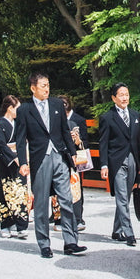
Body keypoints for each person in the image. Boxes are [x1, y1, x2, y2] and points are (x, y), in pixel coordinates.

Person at [16, 73, 84, 258]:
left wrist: (73, 154)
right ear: (33, 88)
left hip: (59, 155)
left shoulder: (56, 104)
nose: (47, 89)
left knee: (66, 199)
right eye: (43, 85)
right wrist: (23, 162)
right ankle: (44, 243)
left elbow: (64, 130)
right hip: (40, 157)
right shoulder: (24, 110)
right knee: (41, 203)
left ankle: (71, 242)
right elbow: (20, 139)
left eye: (48, 85)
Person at [97, 82, 140, 246]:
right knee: (121, 197)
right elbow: (103, 143)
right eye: (121, 95)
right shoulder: (107, 118)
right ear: (114, 98)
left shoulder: (135, 115)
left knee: (126, 196)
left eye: (126, 94)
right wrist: (103, 165)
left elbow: (139, 140)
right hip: (116, 161)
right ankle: (129, 232)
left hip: (132, 158)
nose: (125, 97)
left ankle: (116, 231)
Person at [0, 95, 29, 239]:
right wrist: (13, 157)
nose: (18, 112)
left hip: (19, 160)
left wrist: (21, 158)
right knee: (5, 192)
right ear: (10, 108)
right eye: (17, 109)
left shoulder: (17, 124)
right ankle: (6, 224)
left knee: (20, 191)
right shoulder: (1, 124)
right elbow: (0, 144)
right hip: (6, 162)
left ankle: (21, 225)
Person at [61, 94, 89, 232]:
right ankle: (57, 215)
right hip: (60, 156)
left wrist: (78, 140)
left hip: (75, 157)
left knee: (77, 187)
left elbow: (86, 141)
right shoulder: (56, 120)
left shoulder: (78, 120)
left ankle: (78, 216)